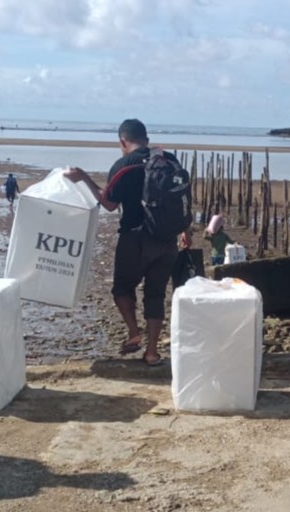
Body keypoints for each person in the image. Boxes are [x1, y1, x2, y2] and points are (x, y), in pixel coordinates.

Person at [65, 119, 192, 367]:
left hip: (135, 238)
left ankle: (134, 332)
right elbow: (180, 197)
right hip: (167, 240)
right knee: (155, 295)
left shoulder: (124, 165)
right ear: (146, 137)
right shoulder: (169, 160)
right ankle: (152, 352)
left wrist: (83, 177)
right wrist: (185, 229)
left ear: (123, 141)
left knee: (122, 288)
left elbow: (109, 204)